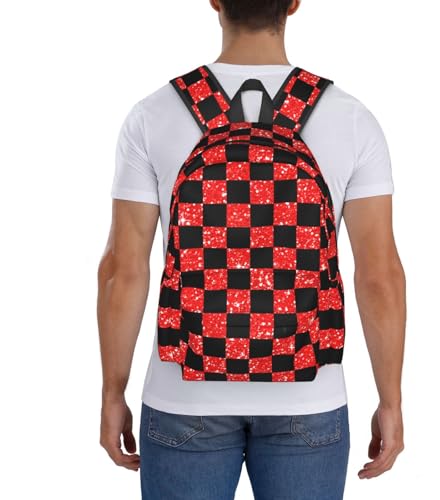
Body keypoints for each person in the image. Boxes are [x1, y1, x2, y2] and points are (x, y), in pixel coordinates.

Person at [97, 0, 406, 498]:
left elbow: (122, 271)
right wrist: (390, 400)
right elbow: (379, 276)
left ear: (215, 2)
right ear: (294, 4)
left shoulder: (153, 115)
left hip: (182, 398)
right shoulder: (350, 118)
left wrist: (113, 391)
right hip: (309, 398)